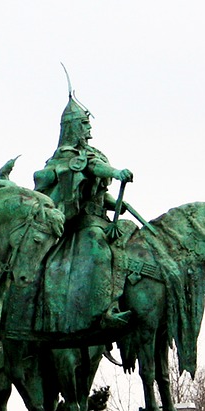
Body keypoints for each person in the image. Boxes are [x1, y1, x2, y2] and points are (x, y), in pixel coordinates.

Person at [32, 90, 134, 334]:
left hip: (101, 219)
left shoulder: (91, 153)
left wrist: (117, 205)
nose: (89, 130)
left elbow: (96, 191)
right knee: (100, 252)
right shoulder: (66, 156)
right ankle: (104, 310)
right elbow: (94, 169)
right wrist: (116, 172)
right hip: (83, 225)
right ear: (74, 127)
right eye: (85, 125)